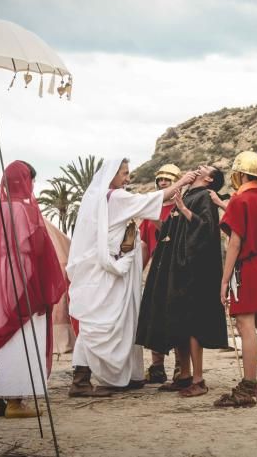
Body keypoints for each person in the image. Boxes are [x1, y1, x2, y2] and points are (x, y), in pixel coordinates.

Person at [66, 159, 197, 396]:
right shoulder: (115, 197)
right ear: (112, 175)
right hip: (109, 274)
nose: (128, 178)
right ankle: (81, 380)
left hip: (112, 272)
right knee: (98, 324)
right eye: (125, 173)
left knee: (119, 322)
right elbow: (152, 199)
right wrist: (184, 181)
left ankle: (126, 375)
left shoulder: (104, 199)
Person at [0, 161, 67, 418]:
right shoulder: (24, 211)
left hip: (0, 277)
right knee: (22, 332)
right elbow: (37, 247)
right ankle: (16, 402)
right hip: (22, 273)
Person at [137, 165, 227, 397]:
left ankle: (198, 380)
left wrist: (184, 210)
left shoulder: (205, 197)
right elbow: (174, 231)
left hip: (193, 272)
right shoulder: (188, 194)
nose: (198, 168)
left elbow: (206, 229)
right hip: (177, 269)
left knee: (193, 323)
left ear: (208, 179)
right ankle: (184, 375)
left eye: (203, 168)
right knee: (179, 321)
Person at [214, 151, 257, 408]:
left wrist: (224, 278)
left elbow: (235, 242)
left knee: (246, 327)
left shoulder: (239, 201)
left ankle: (248, 388)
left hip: (245, 267)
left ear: (240, 174)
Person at [138, 163, 184, 385]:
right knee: (154, 317)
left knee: (177, 317)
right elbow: (144, 245)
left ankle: (180, 367)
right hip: (156, 271)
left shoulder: (183, 209)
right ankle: (157, 368)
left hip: (176, 270)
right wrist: (137, 273)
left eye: (168, 180)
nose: (163, 183)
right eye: (161, 180)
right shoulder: (149, 214)